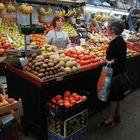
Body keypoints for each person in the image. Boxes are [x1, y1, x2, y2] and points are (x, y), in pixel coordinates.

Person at [99, 19, 127, 127]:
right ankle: (117, 115)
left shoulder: (118, 41)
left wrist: (109, 61)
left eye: (108, 27)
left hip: (115, 72)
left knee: (114, 96)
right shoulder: (117, 39)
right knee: (117, 95)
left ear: (113, 29)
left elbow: (121, 57)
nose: (107, 28)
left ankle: (110, 119)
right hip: (115, 71)